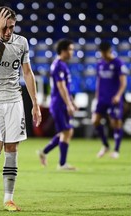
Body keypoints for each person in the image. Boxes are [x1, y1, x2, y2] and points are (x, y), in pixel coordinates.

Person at [0, 6, 42, 212]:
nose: (8, 32)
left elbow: (27, 72)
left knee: (12, 149)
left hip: (14, 100)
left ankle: (9, 198)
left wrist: (35, 103)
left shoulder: (22, 42)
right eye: (4, 27)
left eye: (11, 28)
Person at [38, 39, 77, 171]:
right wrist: (69, 104)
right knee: (66, 131)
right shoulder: (58, 65)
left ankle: (45, 152)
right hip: (58, 104)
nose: (72, 52)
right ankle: (61, 164)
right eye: (71, 49)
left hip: (62, 103)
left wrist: (71, 102)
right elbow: (61, 87)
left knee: (66, 131)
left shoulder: (63, 65)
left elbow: (66, 87)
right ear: (64, 50)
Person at [92, 41, 128, 159]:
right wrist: (97, 96)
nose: (103, 55)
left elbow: (123, 82)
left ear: (109, 51)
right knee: (95, 121)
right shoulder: (100, 63)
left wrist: (118, 95)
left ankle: (116, 150)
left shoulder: (118, 63)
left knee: (115, 123)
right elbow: (99, 81)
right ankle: (106, 145)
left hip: (114, 98)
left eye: (104, 53)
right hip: (102, 98)